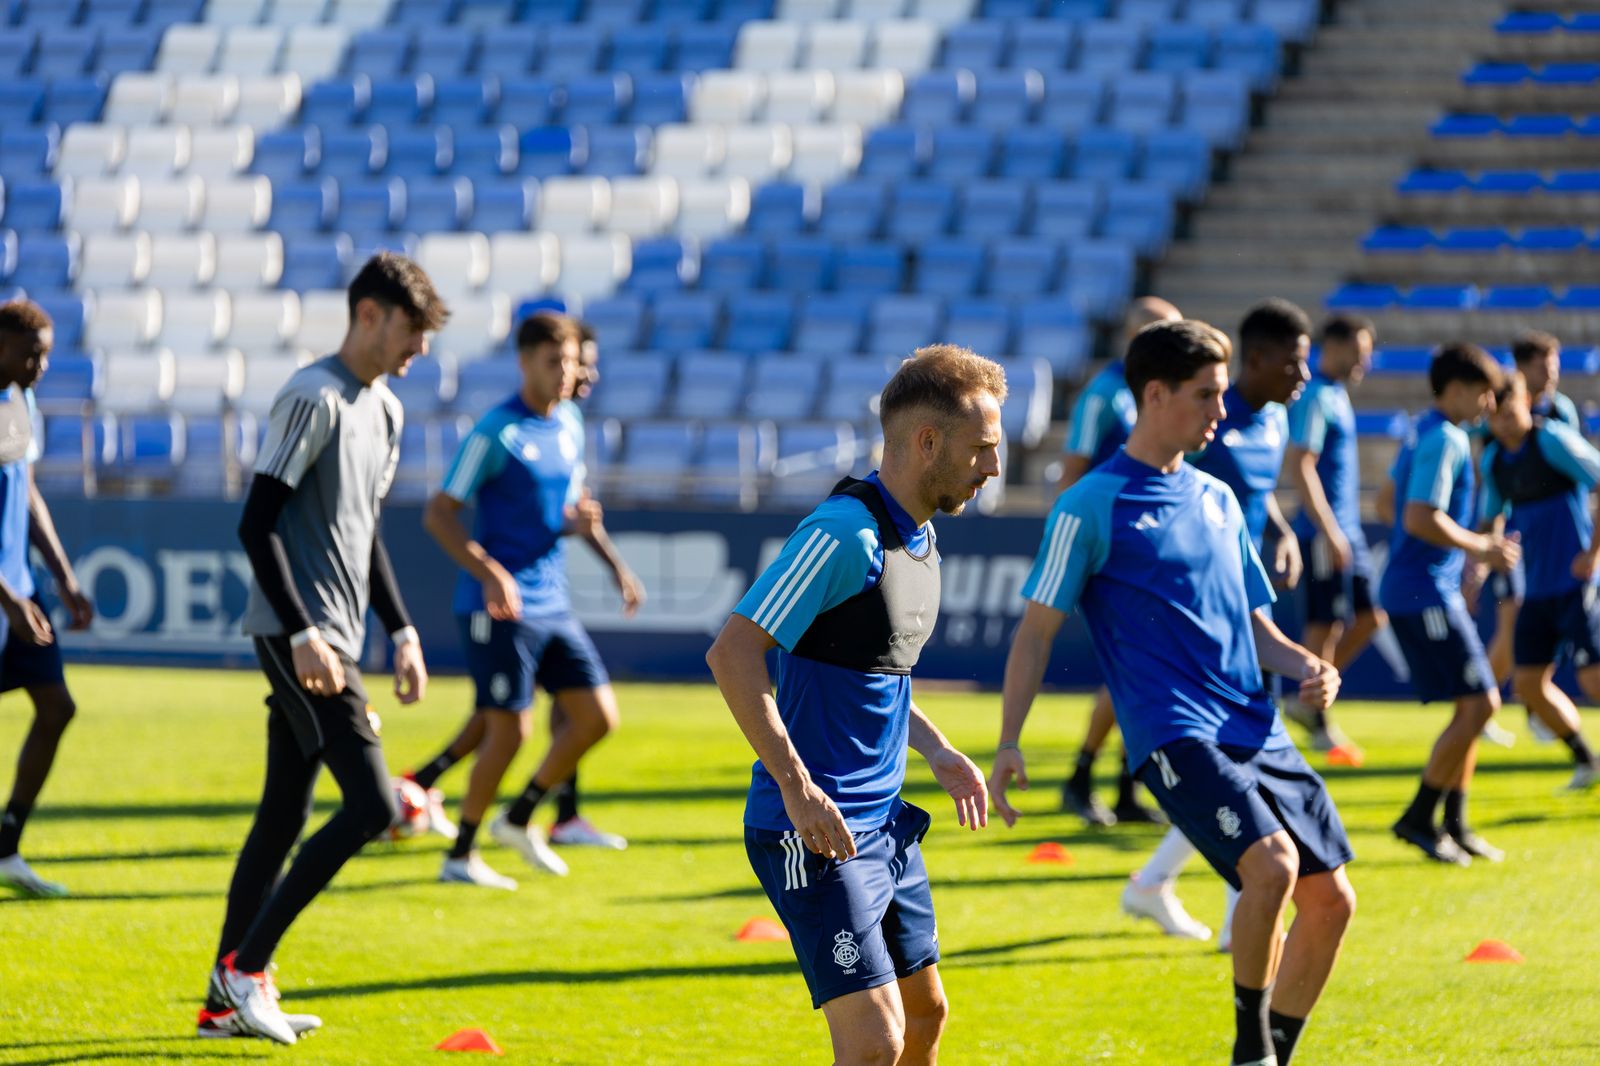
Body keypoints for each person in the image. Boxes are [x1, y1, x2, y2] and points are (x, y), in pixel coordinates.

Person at [992, 320, 1354, 1066]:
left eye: (1222, 394)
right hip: (1174, 733)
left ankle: (1273, 1054)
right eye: (1206, 396)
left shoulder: (1219, 498)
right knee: (1274, 868)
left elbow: (1252, 623)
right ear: (1155, 396)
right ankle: (1249, 1048)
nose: (1221, 413)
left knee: (1331, 902)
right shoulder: (1089, 505)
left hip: (1256, 725)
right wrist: (1007, 742)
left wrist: (1304, 664)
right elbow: (1035, 634)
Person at [707, 345, 1000, 1066]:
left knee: (927, 1016)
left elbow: (877, 676)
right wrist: (797, 788)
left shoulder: (922, 538)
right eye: (982, 449)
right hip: (814, 830)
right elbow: (733, 654)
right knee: (874, 1042)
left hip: (885, 824)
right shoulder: (843, 533)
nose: (992, 468)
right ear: (928, 442)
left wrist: (936, 750)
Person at [202, 253, 443, 1044]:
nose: (420, 351)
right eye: (412, 331)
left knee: (284, 814)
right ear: (370, 313)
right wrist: (304, 630)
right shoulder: (313, 397)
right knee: (373, 805)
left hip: (338, 636)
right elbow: (254, 522)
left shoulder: (388, 410)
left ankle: (219, 1002)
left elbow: (363, 535)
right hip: (298, 635)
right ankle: (246, 971)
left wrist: (401, 627)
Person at [403, 317, 642, 856]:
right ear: (525, 362)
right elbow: (440, 514)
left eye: (572, 361)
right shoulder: (495, 431)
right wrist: (490, 572)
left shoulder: (570, 423)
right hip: (498, 607)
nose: (566, 372)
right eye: (554, 361)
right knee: (509, 731)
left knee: (596, 717)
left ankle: (519, 817)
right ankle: (460, 854)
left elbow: (563, 511)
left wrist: (614, 564)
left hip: (551, 599)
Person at [1123, 301, 1311, 949]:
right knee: (1229, 763)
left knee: (1240, 762)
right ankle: (1238, 916)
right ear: (1255, 359)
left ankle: (1156, 883)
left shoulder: (1275, 423)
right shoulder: (1199, 428)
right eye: (1293, 362)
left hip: (1252, 608)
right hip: (1202, 620)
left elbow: (1250, 504)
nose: (1303, 375)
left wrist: (1282, 531)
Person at [1380, 343, 1520, 867]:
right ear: (1458, 389)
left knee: (1474, 706)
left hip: (1422, 587)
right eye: (1484, 391)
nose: (1489, 402)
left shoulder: (1422, 431)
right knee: (1483, 704)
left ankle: (1453, 823)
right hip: (1424, 594)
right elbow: (1418, 516)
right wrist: (1479, 548)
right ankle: (1419, 817)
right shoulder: (1446, 438)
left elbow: (1385, 504)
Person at [1058, 296, 1182, 827]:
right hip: (1110, 546)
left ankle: (1126, 787)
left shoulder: (1154, 396)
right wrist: (1071, 547)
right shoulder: (1104, 394)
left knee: (1146, 667)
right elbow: (1073, 471)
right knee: (1130, 667)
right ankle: (1082, 776)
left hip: (1149, 549)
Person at [0, 300, 93, 900]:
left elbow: (27, 495)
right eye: (32, 353)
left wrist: (62, 574)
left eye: (47, 354)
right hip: (7, 597)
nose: (41, 365)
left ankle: (6, 845)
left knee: (56, 707)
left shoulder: (18, 404)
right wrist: (7, 598)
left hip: (19, 593)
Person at [1479, 371, 1599, 790]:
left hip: (1578, 584)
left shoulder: (1552, 441)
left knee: (1593, 681)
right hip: (1536, 589)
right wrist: (1483, 556)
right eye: (1497, 416)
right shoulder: (1494, 460)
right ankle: (1588, 761)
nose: (1505, 423)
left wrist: (1593, 553)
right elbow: (1489, 517)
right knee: (1528, 684)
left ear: (1526, 402)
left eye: (1511, 412)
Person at [1285, 315, 1383, 759]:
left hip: (1348, 531)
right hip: (1326, 532)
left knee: (1369, 618)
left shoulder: (1338, 394)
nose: (1366, 360)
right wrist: (1328, 530)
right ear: (1337, 346)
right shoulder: (1316, 396)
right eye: (1360, 349)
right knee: (1325, 624)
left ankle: (1305, 701)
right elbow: (1300, 463)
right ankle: (1317, 715)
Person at [1473, 331, 1581, 713]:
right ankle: (1491, 703)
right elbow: (1490, 501)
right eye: (1542, 367)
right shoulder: (1493, 436)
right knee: (1515, 634)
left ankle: (1495, 703)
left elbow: (1583, 478)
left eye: (1554, 366)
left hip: (1567, 555)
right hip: (1521, 551)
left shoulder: (1557, 422)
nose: (1551, 375)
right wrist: (1481, 557)